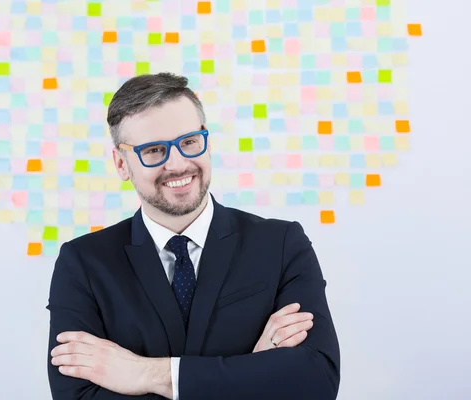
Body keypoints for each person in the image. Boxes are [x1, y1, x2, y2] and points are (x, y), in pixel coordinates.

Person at [46, 72, 340, 399]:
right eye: (154, 150)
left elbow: (315, 382)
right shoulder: (83, 264)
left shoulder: (282, 244)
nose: (178, 164)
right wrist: (250, 371)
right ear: (121, 164)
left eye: (188, 142)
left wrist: (148, 373)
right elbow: (77, 397)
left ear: (207, 142)